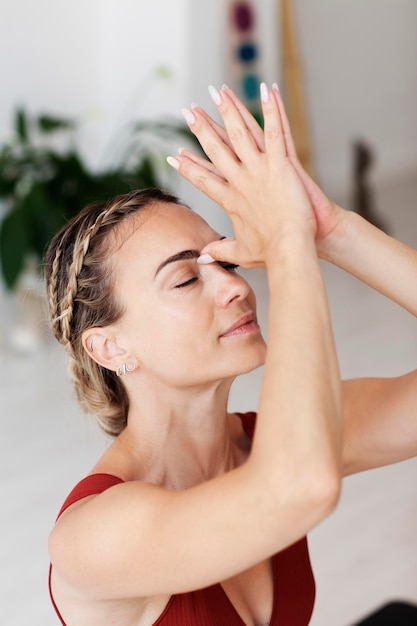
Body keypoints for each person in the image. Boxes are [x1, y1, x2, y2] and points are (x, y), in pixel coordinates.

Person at [45, 83, 416, 626]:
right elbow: (300, 486)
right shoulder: (93, 537)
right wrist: (287, 244)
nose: (236, 289)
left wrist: (335, 232)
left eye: (226, 262)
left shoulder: (273, 441)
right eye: (185, 279)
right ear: (109, 346)